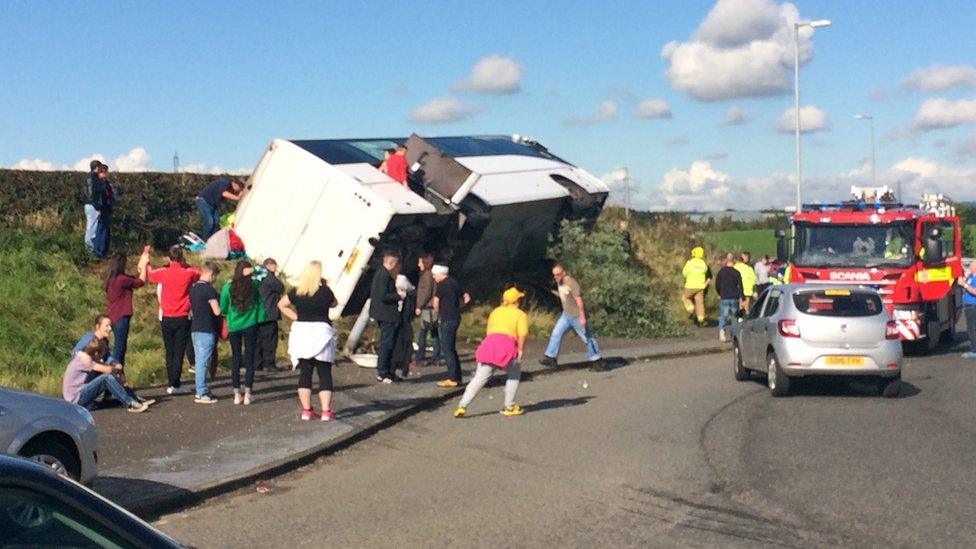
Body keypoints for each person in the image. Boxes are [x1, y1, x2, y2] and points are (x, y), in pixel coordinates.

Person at [453, 287, 528, 419]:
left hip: (489, 344)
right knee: (514, 375)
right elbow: (522, 334)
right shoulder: (520, 314)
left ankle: (462, 406)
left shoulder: (495, 311)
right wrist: (520, 350)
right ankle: (509, 406)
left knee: (479, 378)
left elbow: (489, 331)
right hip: (507, 346)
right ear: (517, 301)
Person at [278, 261, 338, 421]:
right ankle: (326, 411)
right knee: (324, 373)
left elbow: (281, 305)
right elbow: (335, 303)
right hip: (322, 332)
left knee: (305, 372)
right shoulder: (325, 292)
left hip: (302, 332)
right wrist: (325, 285)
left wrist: (296, 317)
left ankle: (307, 410)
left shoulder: (297, 291)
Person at [141, 245, 200, 395]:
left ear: (169, 258)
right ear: (181, 257)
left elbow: (150, 274)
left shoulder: (163, 272)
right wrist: (186, 264)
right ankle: (175, 382)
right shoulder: (187, 273)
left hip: (166, 316)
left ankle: (171, 381)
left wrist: (146, 258)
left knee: (170, 350)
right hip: (182, 316)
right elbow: (199, 272)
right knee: (179, 351)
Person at [70, 315, 153, 407]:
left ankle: (132, 398)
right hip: (80, 386)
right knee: (108, 374)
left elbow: (107, 357)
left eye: (110, 326)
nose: (110, 328)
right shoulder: (89, 338)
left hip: (90, 375)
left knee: (114, 371)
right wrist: (79, 354)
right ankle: (131, 402)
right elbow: (75, 353)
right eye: (107, 326)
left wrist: (115, 363)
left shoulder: (103, 342)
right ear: (98, 327)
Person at [538, 263, 602, 370]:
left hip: (576, 316)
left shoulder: (572, 283)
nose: (556, 277)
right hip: (566, 315)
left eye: (558, 274)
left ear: (564, 273)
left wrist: (582, 317)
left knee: (587, 338)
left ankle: (597, 360)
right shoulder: (559, 282)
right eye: (554, 275)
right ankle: (551, 357)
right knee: (556, 333)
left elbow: (579, 300)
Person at [64, 337, 149, 413]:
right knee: (106, 378)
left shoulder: (86, 357)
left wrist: (116, 370)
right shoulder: (85, 361)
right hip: (76, 399)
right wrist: (118, 369)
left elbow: (103, 365)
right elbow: (107, 370)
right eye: (101, 355)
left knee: (117, 400)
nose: (102, 358)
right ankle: (131, 404)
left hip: (78, 397)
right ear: (96, 353)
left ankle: (133, 398)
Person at [220, 261, 265, 405]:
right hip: (250, 324)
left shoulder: (228, 287)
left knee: (236, 358)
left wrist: (228, 316)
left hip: (234, 325)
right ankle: (248, 393)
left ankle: (236, 394)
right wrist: (255, 270)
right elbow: (264, 274)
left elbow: (223, 307)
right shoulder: (253, 286)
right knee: (250, 358)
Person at [104, 252, 145, 366]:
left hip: (112, 315)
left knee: (119, 346)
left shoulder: (111, 279)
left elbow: (134, 278)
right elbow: (140, 281)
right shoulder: (122, 279)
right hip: (121, 316)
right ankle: (116, 373)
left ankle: (118, 374)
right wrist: (144, 263)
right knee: (120, 348)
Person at [432, 265, 470, 387]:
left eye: (434, 275)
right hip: (456, 317)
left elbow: (435, 302)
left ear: (440, 274)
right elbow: (467, 298)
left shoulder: (442, 285)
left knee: (447, 348)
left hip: (447, 318)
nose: (433, 277)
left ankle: (453, 378)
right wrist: (459, 308)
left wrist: (439, 311)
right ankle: (457, 376)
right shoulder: (455, 283)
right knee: (452, 348)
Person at [189, 262, 222, 404]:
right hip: (206, 329)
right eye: (214, 276)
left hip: (195, 328)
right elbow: (217, 311)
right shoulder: (209, 290)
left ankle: (201, 389)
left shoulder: (194, 288)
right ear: (211, 274)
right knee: (203, 362)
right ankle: (201, 392)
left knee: (199, 361)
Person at [369, 253, 401, 384]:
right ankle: (383, 371)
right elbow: (384, 295)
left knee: (386, 342)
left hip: (381, 312)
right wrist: (398, 296)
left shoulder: (379, 273)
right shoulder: (385, 276)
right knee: (387, 343)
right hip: (386, 313)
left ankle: (385, 370)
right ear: (392, 263)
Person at [256, 258, 284, 371]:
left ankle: (257, 363)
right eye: (274, 265)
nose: (275, 268)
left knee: (258, 340)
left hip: (258, 314)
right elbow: (281, 287)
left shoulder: (257, 277)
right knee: (270, 340)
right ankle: (269, 363)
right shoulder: (270, 278)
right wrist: (273, 274)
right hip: (269, 313)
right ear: (268, 265)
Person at [414, 254, 440, 367]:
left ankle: (420, 357)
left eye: (420, 262)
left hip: (427, 307)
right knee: (434, 333)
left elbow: (427, 291)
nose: (418, 265)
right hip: (431, 306)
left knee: (423, 333)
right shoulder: (430, 274)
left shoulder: (427, 275)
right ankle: (436, 357)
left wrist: (420, 305)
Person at [392, 274, 417, 378]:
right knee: (404, 346)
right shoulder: (410, 297)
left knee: (398, 346)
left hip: (401, 324)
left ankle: (397, 367)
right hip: (404, 324)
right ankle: (402, 367)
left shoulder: (407, 298)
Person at [716, 253, 744, 342]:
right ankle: (734, 334)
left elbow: (717, 284)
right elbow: (740, 285)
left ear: (726, 261)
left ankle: (722, 333)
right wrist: (742, 296)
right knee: (735, 316)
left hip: (724, 296)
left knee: (723, 316)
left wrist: (719, 293)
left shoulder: (721, 272)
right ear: (734, 262)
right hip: (734, 297)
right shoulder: (736, 272)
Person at [682, 246, 712, 326]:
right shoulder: (703, 264)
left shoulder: (690, 262)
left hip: (690, 285)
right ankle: (701, 319)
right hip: (700, 286)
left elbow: (684, 273)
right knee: (699, 302)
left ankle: (691, 309)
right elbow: (706, 272)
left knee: (685, 298)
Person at [90, 164, 114, 260]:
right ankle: (98, 252)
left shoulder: (105, 182)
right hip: (101, 208)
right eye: (106, 172)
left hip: (106, 208)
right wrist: (98, 208)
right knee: (100, 230)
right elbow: (97, 197)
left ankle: (103, 251)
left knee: (105, 230)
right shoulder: (98, 182)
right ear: (102, 172)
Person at [82, 160, 102, 252]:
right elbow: (92, 194)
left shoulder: (87, 177)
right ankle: (90, 250)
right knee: (92, 228)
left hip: (88, 204)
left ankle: (89, 249)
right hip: (92, 205)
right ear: (97, 168)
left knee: (90, 227)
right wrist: (97, 207)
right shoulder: (93, 178)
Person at [959, 261, 976, 358]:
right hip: (969, 306)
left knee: (972, 329)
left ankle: (974, 350)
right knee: (971, 328)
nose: (969, 267)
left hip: (973, 306)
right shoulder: (970, 277)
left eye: (971, 265)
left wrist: (965, 285)